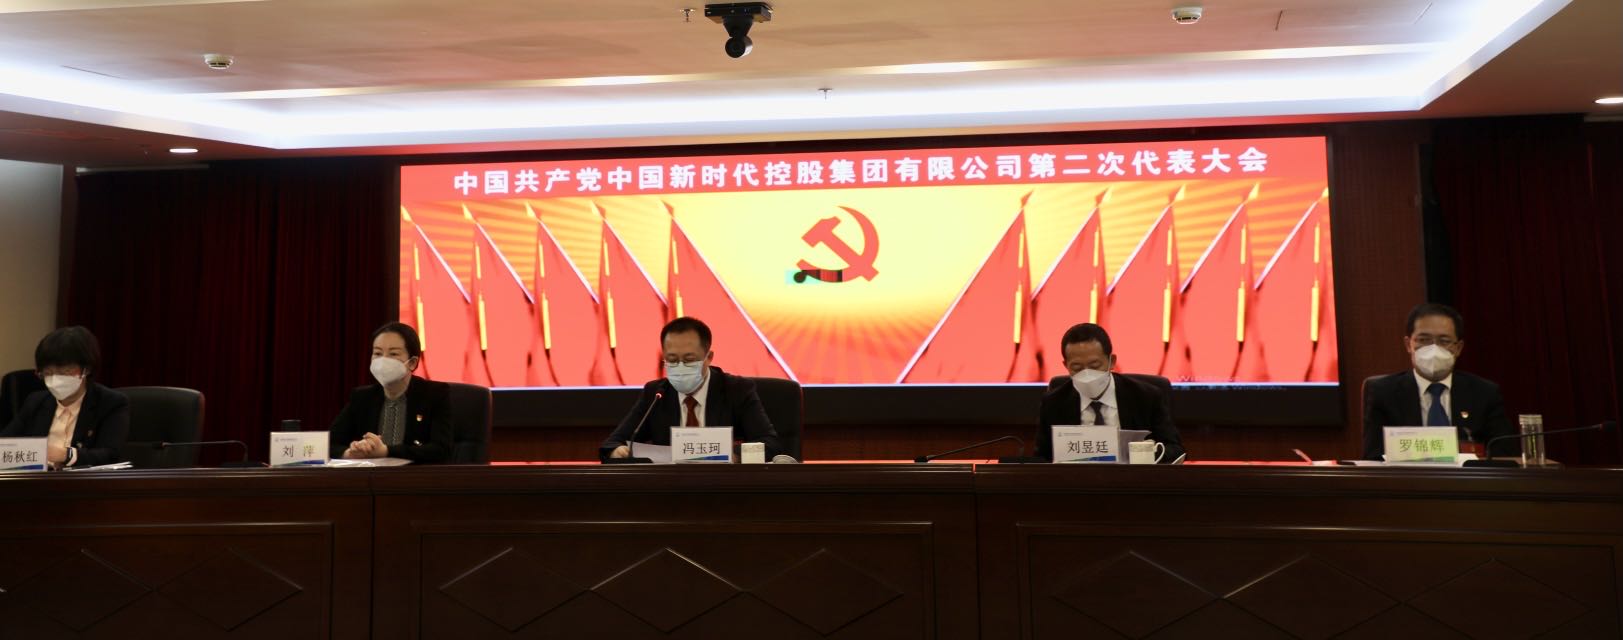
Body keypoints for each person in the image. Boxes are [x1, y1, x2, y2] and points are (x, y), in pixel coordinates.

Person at [601, 317, 781, 460]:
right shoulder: (656, 393)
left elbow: (770, 444)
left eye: (689, 360)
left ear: (708, 357)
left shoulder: (736, 389)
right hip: (670, 487)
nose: (680, 366)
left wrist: (733, 455)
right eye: (672, 360)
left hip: (723, 486)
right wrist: (617, 451)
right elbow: (613, 443)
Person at [1362, 303, 1513, 460]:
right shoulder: (1384, 393)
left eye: (1444, 341)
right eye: (1423, 340)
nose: (1433, 349)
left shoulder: (1484, 393)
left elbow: (1504, 455)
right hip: (1406, 476)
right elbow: (1373, 458)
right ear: (1408, 344)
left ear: (1458, 348)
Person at [1034, 323, 1185, 463]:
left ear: (1112, 361)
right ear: (1066, 365)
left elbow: (1176, 450)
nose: (1086, 374)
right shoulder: (1054, 403)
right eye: (1077, 368)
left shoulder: (1146, 397)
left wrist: (1145, 454)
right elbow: (1042, 458)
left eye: (1095, 366)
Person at [1, 326, 129, 469]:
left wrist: (67, 455)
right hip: (37, 479)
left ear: (86, 369)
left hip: (83, 481)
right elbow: (4, 443)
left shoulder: (111, 403)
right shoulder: (36, 401)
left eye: (65, 372)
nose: (56, 379)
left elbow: (111, 454)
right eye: (48, 373)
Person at [330, 322, 453, 463]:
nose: (383, 360)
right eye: (377, 353)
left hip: (415, 475)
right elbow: (329, 443)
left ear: (412, 362)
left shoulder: (435, 394)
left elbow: (441, 451)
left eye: (393, 354)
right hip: (369, 475)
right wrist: (350, 453)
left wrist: (386, 451)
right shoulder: (362, 397)